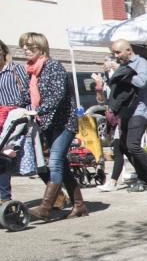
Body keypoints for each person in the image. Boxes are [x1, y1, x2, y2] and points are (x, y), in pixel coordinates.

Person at [20, 32, 87, 221]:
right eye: (23, 46)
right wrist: (18, 109)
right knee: (62, 165)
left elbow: (57, 96)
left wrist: (38, 110)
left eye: (29, 46)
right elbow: (26, 97)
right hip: (47, 123)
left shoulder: (54, 67)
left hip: (64, 122)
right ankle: (80, 205)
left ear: (41, 48)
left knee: (55, 162)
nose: (24, 49)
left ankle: (45, 207)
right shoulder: (32, 71)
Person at [108, 39, 147, 192]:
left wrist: (123, 73)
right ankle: (142, 178)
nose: (116, 55)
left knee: (133, 144)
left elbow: (141, 82)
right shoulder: (124, 66)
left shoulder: (141, 63)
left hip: (140, 110)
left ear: (128, 50)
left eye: (118, 52)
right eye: (114, 53)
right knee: (125, 146)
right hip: (126, 111)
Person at [94, 55, 137, 192]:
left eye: (109, 61)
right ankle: (146, 172)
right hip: (113, 119)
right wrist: (99, 86)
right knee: (124, 149)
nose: (106, 65)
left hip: (123, 116)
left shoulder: (123, 77)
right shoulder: (107, 77)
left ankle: (113, 182)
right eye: (105, 62)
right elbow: (101, 101)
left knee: (119, 149)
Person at [0, 39, 29, 203]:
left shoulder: (16, 70)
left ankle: (56, 194)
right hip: (0, 120)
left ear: (3, 51)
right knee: (3, 157)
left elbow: (27, 93)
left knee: (33, 160)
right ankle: (4, 199)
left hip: (17, 118)